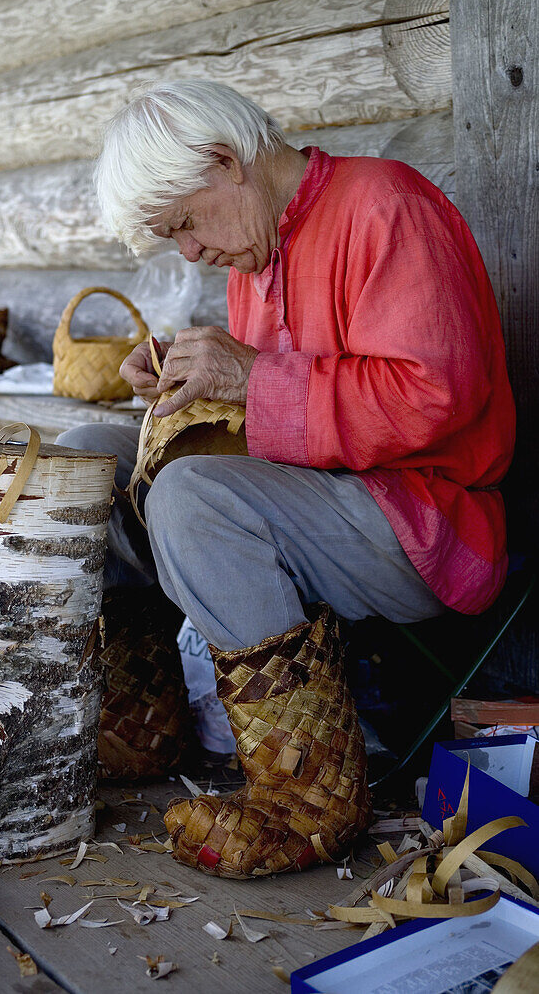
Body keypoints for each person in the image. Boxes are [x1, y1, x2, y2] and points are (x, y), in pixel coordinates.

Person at [56, 80, 515, 879]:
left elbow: (434, 397)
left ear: (225, 162)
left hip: (418, 519)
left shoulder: (383, 205)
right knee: (86, 455)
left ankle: (305, 791)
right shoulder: (259, 246)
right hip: (327, 501)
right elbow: (273, 410)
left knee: (194, 498)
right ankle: (142, 717)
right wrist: (185, 375)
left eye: (185, 225)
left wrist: (250, 377)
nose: (190, 252)